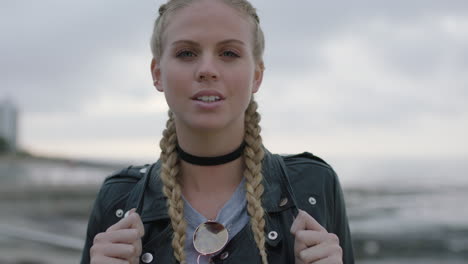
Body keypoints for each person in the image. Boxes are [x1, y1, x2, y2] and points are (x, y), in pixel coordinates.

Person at [81, 0, 354, 263]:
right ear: (157, 73)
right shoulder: (118, 198)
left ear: (257, 75)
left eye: (229, 53)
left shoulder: (313, 186)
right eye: (186, 53)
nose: (207, 70)